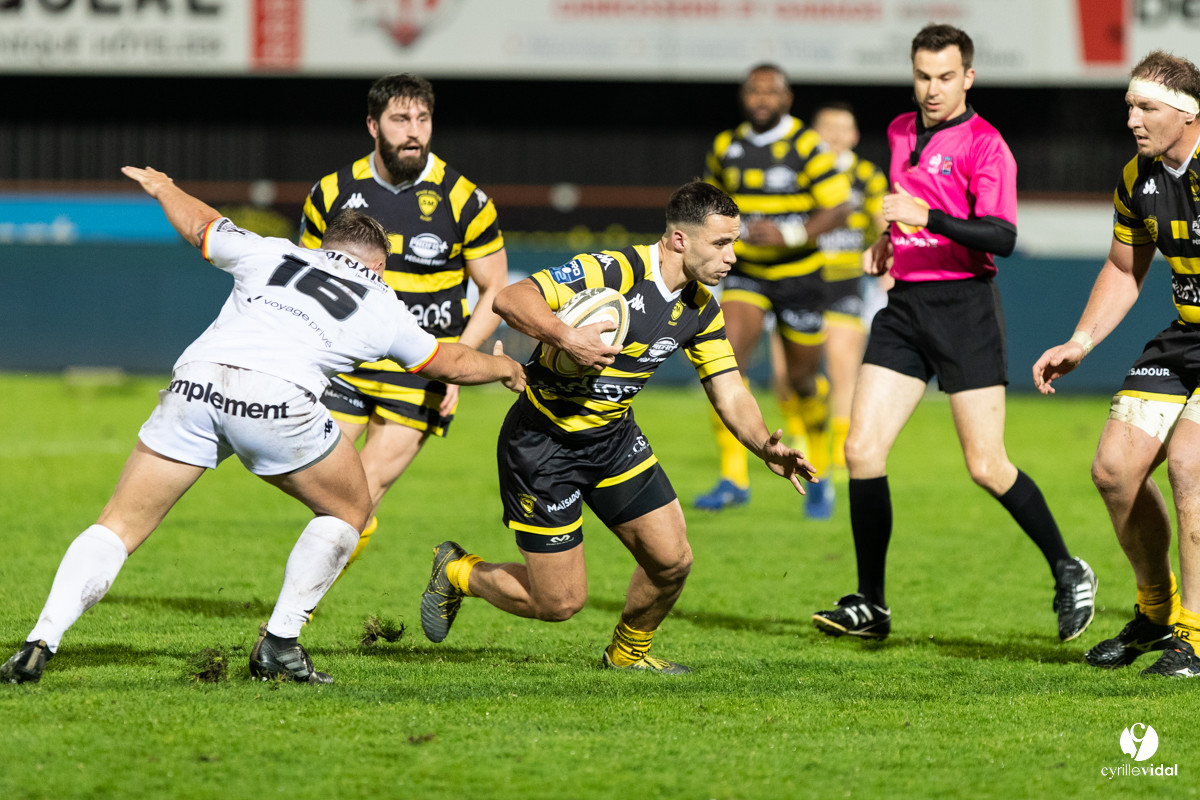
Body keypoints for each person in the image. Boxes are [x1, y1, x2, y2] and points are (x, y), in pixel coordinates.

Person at [0, 167, 524, 685]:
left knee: (117, 524)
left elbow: (202, 226)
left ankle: (39, 642)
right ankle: (279, 644)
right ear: (380, 266)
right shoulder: (381, 302)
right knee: (350, 509)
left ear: (326, 246)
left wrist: (165, 188)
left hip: (196, 384)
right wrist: (506, 367)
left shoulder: (274, 251)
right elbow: (447, 363)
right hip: (276, 399)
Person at [417, 182, 817, 674]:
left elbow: (731, 390)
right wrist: (567, 337)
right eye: (721, 243)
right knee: (559, 603)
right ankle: (457, 571)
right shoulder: (610, 271)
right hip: (543, 445)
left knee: (672, 561)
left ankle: (627, 656)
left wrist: (763, 446)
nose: (733, 256)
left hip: (613, 441)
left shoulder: (701, 308)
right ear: (678, 240)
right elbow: (510, 298)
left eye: (734, 242)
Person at [810, 24, 1097, 643]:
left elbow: (1003, 236)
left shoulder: (987, 145)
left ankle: (1069, 568)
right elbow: (905, 206)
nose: (932, 88)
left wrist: (926, 218)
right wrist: (890, 242)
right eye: (923, 76)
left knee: (987, 465)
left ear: (967, 76)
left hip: (964, 307)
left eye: (945, 76)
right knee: (861, 451)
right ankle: (872, 604)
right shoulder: (898, 130)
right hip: (904, 306)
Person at [299, 73, 509, 575]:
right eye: (400, 119)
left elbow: (495, 289)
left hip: (418, 374)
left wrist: (457, 360)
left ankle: (288, 626)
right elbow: (305, 283)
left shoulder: (464, 199)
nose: (413, 131)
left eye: (422, 118)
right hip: (346, 367)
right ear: (373, 125)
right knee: (323, 492)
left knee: (354, 502)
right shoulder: (331, 192)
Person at [1033, 51, 1200, 677]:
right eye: (1129, 106)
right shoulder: (1138, 177)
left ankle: (1197, 636)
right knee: (1113, 470)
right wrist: (1081, 340)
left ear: (1188, 115)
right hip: (1187, 336)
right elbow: (1124, 268)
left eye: (1147, 107)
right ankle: (1157, 612)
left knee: (1190, 464)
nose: (1133, 119)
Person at [695, 63, 851, 518]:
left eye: (770, 92)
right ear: (744, 97)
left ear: (786, 98)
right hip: (746, 274)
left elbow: (840, 206)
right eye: (754, 91)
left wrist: (791, 235)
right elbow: (709, 203)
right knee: (725, 363)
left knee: (803, 380)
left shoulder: (807, 144)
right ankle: (733, 477)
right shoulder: (727, 146)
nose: (761, 98)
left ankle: (819, 470)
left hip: (800, 276)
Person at [809, 101, 889, 481]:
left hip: (845, 281)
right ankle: (804, 435)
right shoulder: (802, 172)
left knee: (844, 364)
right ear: (814, 134)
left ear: (855, 136)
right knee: (788, 374)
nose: (837, 136)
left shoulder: (868, 176)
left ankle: (842, 452)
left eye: (844, 128)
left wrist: (890, 256)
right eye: (829, 127)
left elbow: (884, 222)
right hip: (800, 281)